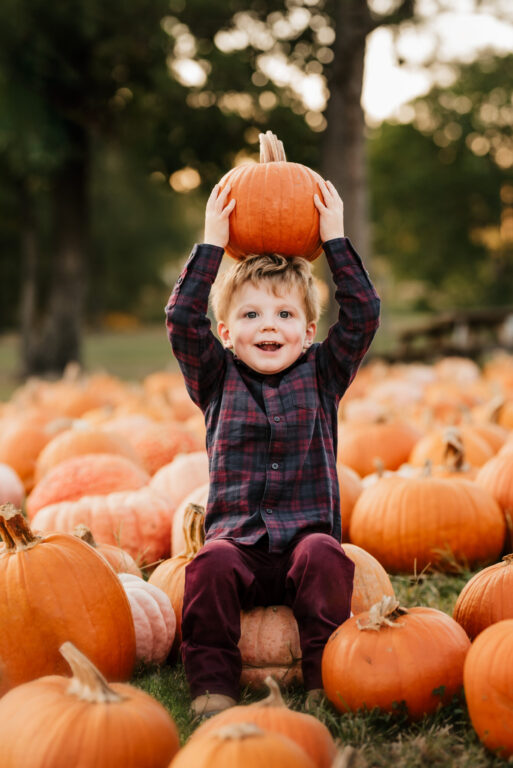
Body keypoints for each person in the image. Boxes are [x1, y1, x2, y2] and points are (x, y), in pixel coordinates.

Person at [165, 177, 381, 719]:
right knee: (207, 566)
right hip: (238, 544)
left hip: (304, 540)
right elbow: (181, 321)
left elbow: (362, 315)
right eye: (252, 315)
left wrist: (334, 239)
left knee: (327, 557)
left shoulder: (324, 373)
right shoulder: (214, 377)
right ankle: (211, 686)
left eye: (285, 316)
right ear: (227, 330)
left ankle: (322, 677)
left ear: (309, 331)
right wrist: (213, 242)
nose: (269, 327)